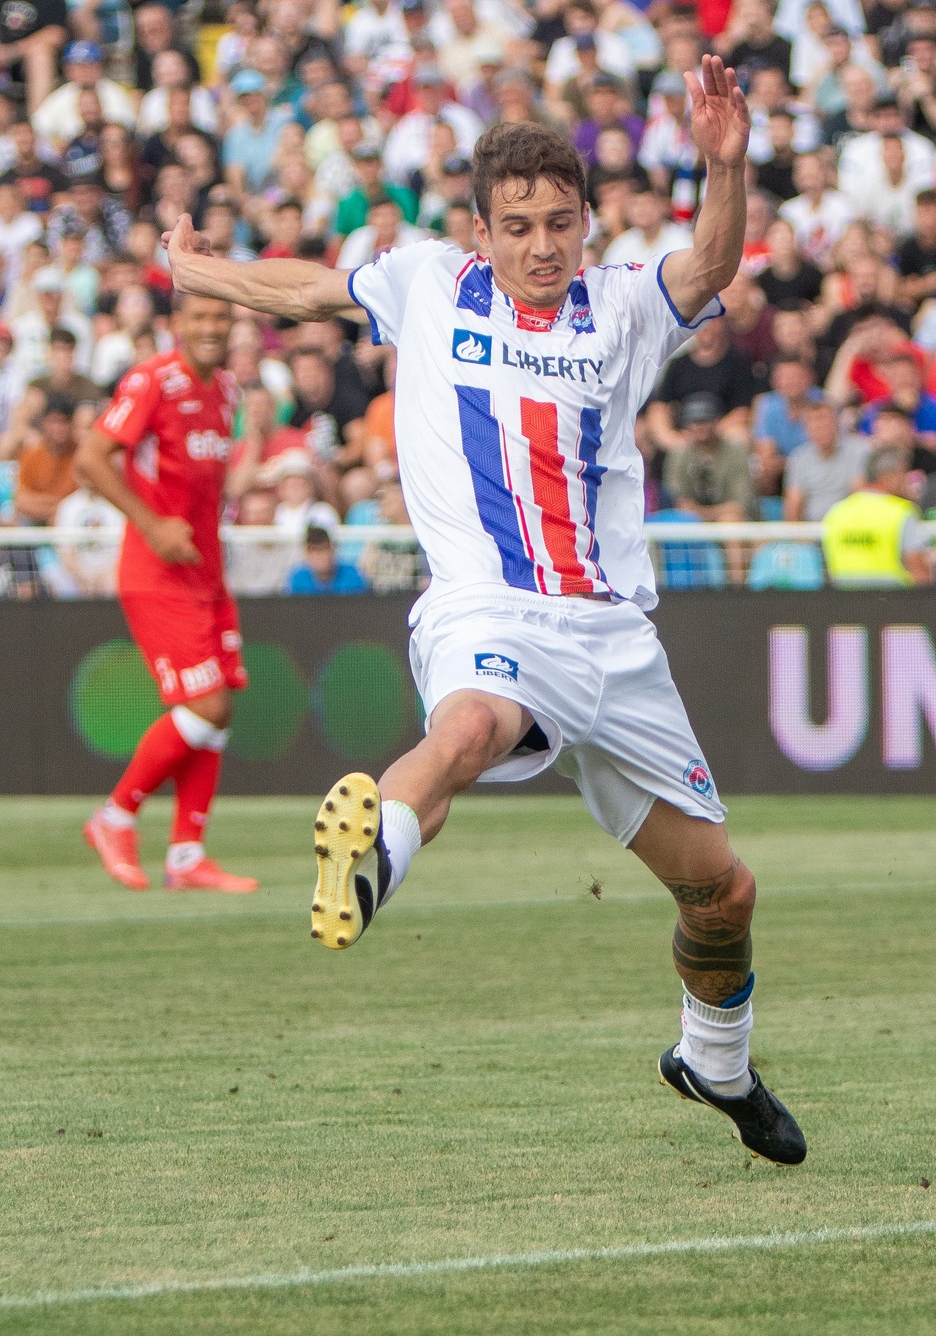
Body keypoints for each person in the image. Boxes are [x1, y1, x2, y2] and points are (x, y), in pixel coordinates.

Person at [157, 57, 807, 1166]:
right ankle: (368, 858)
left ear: (587, 223)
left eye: (560, 222)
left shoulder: (622, 307)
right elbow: (307, 287)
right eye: (517, 226)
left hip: (612, 635)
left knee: (721, 889)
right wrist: (199, 272)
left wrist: (724, 160)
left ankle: (716, 1061)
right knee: (463, 729)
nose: (541, 244)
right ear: (481, 230)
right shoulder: (425, 284)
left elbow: (711, 258)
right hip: (485, 609)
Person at [75, 294, 259, 893]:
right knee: (204, 708)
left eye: (219, 318)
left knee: (220, 709)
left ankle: (185, 856)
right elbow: (93, 457)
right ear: (176, 324)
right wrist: (151, 525)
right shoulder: (152, 378)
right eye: (199, 317)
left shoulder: (226, 390)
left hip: (207, 574)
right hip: (156, 574)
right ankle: (114, 815)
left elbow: (207, 485)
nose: (210, 327)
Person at [820, 445, 933, 585]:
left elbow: (829, 568)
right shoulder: (901, 512)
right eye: (902, 473)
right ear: (886, 478)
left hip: (846, 602)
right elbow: (919, 571)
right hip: (895, 601)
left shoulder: (837, 512)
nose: (906, 479)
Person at [287, 525, 370, 595]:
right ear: (307, 554)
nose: (321, 556)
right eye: (315, 550)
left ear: (333, 549)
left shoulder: (352, 575)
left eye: (324, 549)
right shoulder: (298, 579)